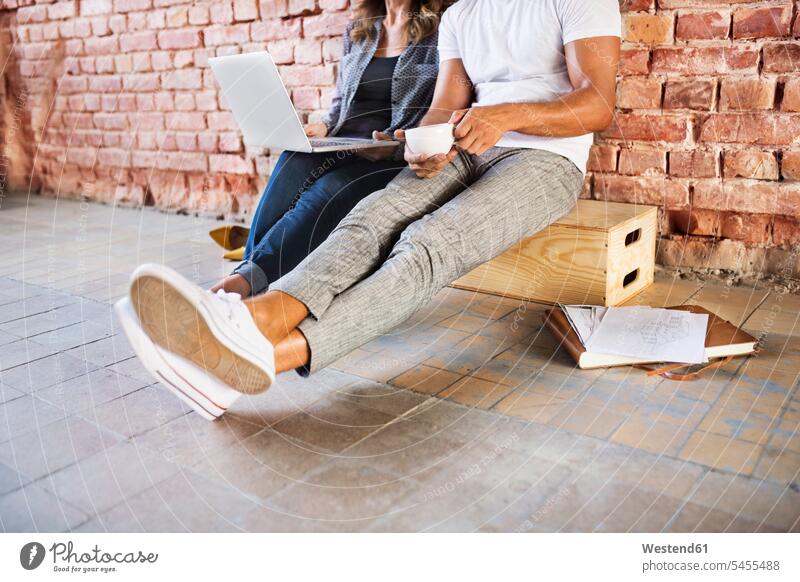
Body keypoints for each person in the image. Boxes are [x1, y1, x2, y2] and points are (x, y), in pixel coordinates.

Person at [118, 0, 622, 420]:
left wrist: (508, 115)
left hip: (547, 159)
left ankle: (256, 349)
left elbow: (598, 103)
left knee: (429, 243)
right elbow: (447, 106)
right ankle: (243, 323)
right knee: (371, 216)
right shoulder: (462, 14)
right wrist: (424, 142)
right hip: (466, 144)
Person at [212, 0, 447, 297]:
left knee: (331, 186)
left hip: (391, 153)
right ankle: (250, 270)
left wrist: (395, 147)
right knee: (293, 158)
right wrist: (322, 128)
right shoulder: (359, 29)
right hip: (344, 141)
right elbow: (340, 104)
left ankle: (243, 284)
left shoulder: (440, 30)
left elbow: (443, 109)